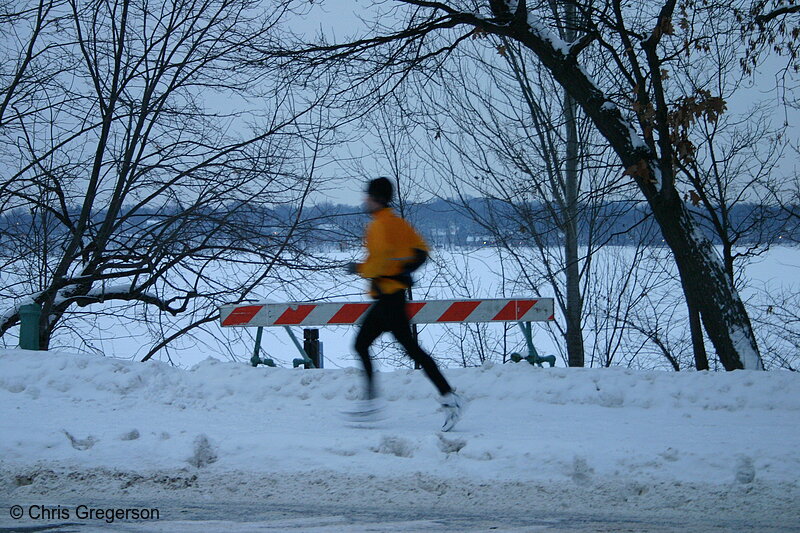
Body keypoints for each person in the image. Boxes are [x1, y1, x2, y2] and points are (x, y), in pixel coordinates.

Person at [345, 177, 463, 431]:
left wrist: (358, 268)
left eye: (368, 196)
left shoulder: (378, 226)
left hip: (389, 298)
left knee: (378, 346)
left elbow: (377, 263)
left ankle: (447, 399)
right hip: (393, 297)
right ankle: (447, 398)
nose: (365, 200)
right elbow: (421, 250)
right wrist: (404, 270)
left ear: (376, 198)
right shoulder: (399, 223)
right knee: (391, 347)